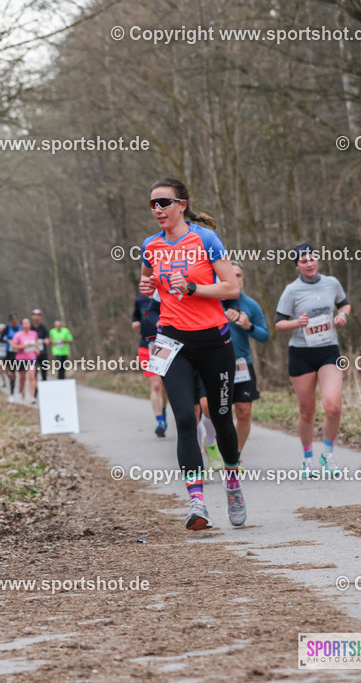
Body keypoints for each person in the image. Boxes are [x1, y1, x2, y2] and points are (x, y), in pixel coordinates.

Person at [139, 177, 244, 530]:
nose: (157, 210)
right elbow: (150, 286)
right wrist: (148, 287)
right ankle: (196, 501)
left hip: (214, 342)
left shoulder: (205, 238)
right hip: (171, 342)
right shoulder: (150, 246)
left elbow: (231, 286)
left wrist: (196, 287)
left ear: (182, 204)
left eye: (164, 202)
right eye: (152, 204)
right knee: (185, 418)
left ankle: (232, 481)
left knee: (220, 417)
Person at [274, 244, 351, 477]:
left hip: (328, 350)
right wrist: (297, 323)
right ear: (297, 265)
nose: (309, 263)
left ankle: (327, 454)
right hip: (301, 354)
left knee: (334, 406)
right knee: (307, 411)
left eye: (312, 258)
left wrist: (342, 315)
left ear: (318, 260)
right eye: (304, 260)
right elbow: (278, 324)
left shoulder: (331, 283)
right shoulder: (291, 290)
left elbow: (344, 304)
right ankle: (308, 458)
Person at [223, 261, 269, 458]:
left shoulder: (250, 305)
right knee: (215, 412)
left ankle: (235, 455)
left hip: (242, 364)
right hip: (215, 365)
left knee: (244, 412)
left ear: (243, 279)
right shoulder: (212, 302)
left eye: (239, 275)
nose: (235, 279)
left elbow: (265, 336)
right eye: (231, 275)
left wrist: (249, 326)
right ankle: (212, 444)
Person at [133, 292, 168, 437]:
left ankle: (163, 413)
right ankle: (159, 421)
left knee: (164, 386)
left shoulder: (164, 295)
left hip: (164, 344)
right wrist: (134, 323)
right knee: (156, 385)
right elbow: (135, 316)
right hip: (146, 345)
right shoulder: (139, 300)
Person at [10, 318, 39, 404]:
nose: (26, 325)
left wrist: (37, 349)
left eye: (28, 323)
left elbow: (36, 344)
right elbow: (13, 346)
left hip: (32, 358)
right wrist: (24, 346)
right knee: (22, 378)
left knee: (32, 376)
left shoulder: (34, 334)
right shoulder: (18, 335)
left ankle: (32, 397)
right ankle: (22, 395)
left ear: (30, 325)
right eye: (24, 324)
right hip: (21, 359)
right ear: (22, 325)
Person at [31, 309, 51, 385]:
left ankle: (45, 389)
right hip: (32, 355)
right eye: (35, 315)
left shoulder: (44, 328)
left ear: (40, 317)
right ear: (32, 316)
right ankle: (34, 393)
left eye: (38, 315)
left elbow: (49, 338)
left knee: (44, 372)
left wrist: (47, 340)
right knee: (33, 374)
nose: (36, 317)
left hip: (43, 353)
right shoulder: (30, 328)